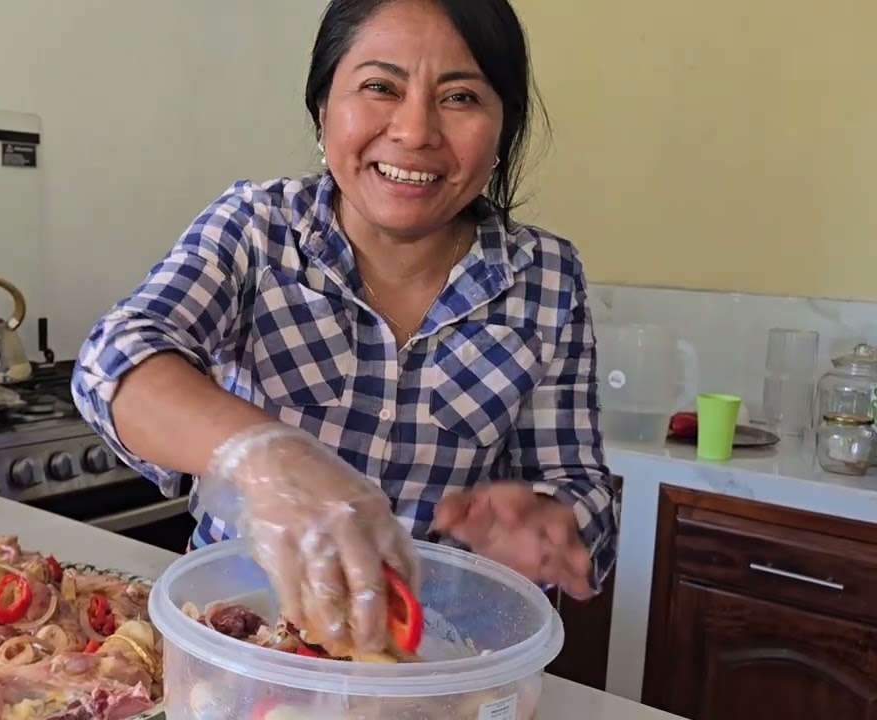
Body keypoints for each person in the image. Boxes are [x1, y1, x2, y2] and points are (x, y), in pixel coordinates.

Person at [72, 0, 619, 656]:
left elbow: (581, 488)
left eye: (461, 96)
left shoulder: (547, 276)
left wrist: (554, 524)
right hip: (247, 640)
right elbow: (115, 357)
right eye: (380, 87)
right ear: (324, 108)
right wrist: (263, 454)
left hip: (436, 658)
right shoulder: (255, 227)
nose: (415, 132)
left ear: (503, 128)